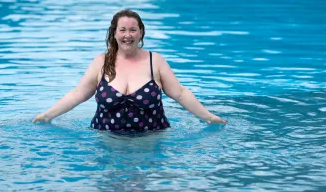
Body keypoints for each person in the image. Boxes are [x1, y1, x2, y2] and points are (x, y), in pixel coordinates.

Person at [32, 9, 227, 130]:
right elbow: (78, 94)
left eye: (133, 30)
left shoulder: (155, 61)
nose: (128, 35)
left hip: (151, 141)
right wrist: (48, 115)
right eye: (122, 30)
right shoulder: (101, 62)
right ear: (114, 33)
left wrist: (209, 117)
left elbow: (181, 93)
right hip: (106, 140)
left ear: (141, 32)